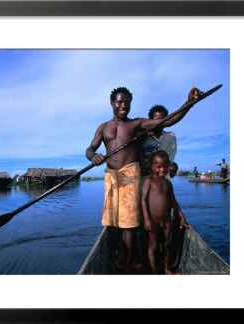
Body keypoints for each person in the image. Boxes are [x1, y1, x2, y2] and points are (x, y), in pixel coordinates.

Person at [86, 86, 203, 273]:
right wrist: (93, 156)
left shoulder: (136, 125)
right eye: (119, 102)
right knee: (113, 223)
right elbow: (89, 149)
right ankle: (125, 258)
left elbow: (168, 121)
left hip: (129, 175)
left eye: (126, 102)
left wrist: (189, 103)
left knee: (130, 225)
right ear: (112, 103)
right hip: (111, 178)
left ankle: (131, 263)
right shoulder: (103, 127)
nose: (123, 105)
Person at [141, 150, 192, 274]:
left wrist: (181, 215)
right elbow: (143, 201)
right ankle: (154, 271)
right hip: (152, 221)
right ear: (151, 166)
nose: (162, 169)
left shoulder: (168, 183)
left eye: (165, 166)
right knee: (153, 246)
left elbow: (173, 202)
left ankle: (166, 268)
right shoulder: (149, 182)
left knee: (166, 244)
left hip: (166, 220)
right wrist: (147, 219)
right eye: (158, 167)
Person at [141, 105, 177, 177]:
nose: (160, 123)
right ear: (151, 121)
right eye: (157, 120)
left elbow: (169, 160)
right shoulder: (143, 137)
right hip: (145, 175)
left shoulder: (170, 136)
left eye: (163, 120)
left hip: (163, 174)